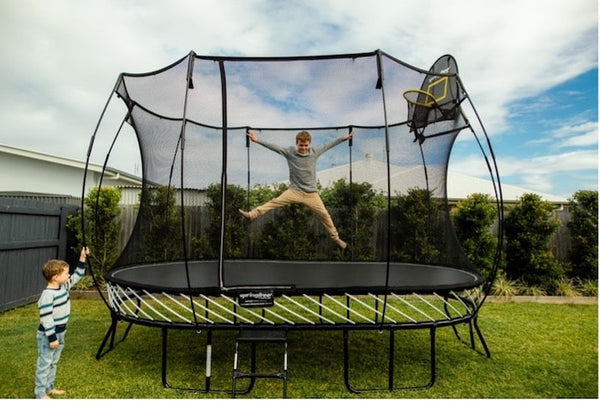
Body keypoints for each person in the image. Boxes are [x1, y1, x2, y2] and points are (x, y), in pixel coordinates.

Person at [239, 129, 353, 249]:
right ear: (296, 143)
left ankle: (336, 239)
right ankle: (251, 215)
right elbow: (274, 147)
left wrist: (343, 139)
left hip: (311, 194)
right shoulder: (290, 152)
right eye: (301, 145)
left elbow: (329, 145)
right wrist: (257, 140)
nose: (303, 148)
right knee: (274, 202)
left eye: (306, 145)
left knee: (325, 215)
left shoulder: (314, 152)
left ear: (309, 144)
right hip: (294, 191)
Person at [34, 247, 89, 399]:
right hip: (49, 335)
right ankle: (40, 393)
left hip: (61, 332)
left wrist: (82, 258)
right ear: (56, 277)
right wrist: (52, 337)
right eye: (66, 273)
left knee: (53, 362)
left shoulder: (63, 287)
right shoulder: (47, 295)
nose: (69, 275)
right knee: (44, 364)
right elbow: (46, 318)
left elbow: (77, 275)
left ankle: (49, 387)